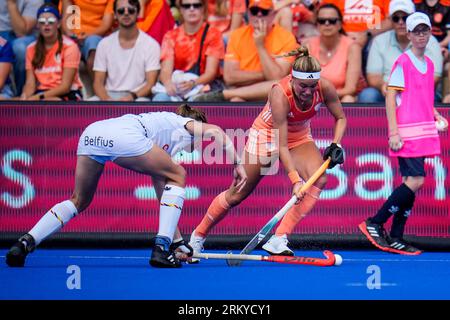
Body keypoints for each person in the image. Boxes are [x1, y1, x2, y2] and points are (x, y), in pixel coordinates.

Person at [5, 103, 248, 268]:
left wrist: (176, 241)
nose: (196, 147)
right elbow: (216, 131)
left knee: (79, 200)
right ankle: (160, 250)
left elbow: (162, 192)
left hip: (94, 133)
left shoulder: (162, 142)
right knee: (179, 174)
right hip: (125, 136)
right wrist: (237, 163)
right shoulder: (182, 125)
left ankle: (24, 243)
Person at [189, 45, 347, 257]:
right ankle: (197, 237)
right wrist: (295, 181)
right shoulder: (280, 94)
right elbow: (281, 145)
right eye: (303, 86)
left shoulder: (325, 88)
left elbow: (341, 118)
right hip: (266, 136)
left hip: (299, 136)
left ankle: (279, 238)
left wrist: (336, 144)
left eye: (312, 86)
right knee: (236, 194)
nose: (308, 92)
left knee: (319, 179)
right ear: (292, 78)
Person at [359, 12, 448, 255]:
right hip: (407, 133)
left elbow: (422, 98)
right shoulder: (403, 62)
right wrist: (394, 132)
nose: (421, 35)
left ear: (430, 33)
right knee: (415, 181)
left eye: (424, 31)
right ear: (408, 34)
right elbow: (390, 97)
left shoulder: (429, 64)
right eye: (416, 31)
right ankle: (375, 222)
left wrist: (434, 114)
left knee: (413, 183)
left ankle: (397, 235)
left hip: (423, 130)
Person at [193, 0, 299, 102]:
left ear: (273, 15)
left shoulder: (286, 37)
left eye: (264, 12)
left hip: (272, 94)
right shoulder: (237, 35)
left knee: (279, 85)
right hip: (243, 90)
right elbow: (229, 77)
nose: (259, 15)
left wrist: (260, 46)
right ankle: (230, 95)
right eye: (254, 11)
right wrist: (264, 75)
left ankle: (224, 94)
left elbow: (277, 78)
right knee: (236, 100)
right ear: (248, 14)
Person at [358, 0, 443, 103]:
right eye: (396, 18)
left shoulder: (431, 41)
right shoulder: (379, 41)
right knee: (368, 95)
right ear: (390, 20)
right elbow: (373, 76)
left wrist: (406, 89)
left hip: (420, 91)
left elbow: (434, 77)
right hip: (387, 91)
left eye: (405, 17)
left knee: (431, 96)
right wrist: (384, 86)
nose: (401, 22)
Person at [152, 0, 224, 102]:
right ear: (180, 9)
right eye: (186, 6)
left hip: (204, 86)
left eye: (196, 5)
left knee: (194, 102)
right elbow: (166, 70)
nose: (191, 9)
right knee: (160, 99)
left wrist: (193, 83)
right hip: (177, 86)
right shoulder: (171, 36)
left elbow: (211, 73)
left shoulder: (213, 34)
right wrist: (168, 84)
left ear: (203, 8)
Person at [91, 0, 160, 101]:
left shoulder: (151, 44)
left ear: (138, 12)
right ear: (115, 15)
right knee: (90, 102)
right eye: (121, 11)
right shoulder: (104, 44)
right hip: (109, 95)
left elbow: (150, 84)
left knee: (142, 102)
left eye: (131, 10)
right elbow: (98, 83)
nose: (126, 13)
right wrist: (107, 100)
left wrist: (132, 97)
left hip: (137, 96)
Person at [20, 3, 83, 101]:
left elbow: (65, 86)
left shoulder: (70, 47)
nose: (46, 25)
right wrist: (25, 96)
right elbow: (30, 83)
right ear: (37, 25)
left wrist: (38, 97)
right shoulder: (31, 48)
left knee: (51, 102)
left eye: (51, 21)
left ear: (58, 23)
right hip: (42, 93)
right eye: (42, 22)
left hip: (68, 93)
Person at [304, 3, 362, 102]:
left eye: (332, 21)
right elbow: (302, 82)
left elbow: (350, 89)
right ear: (317, 25)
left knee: (348, 99)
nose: (327, 24)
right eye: (322, 21)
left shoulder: (353, 47)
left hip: (340, 97)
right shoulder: (307, 46)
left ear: (340, 24)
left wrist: (324, 96)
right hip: (312, 98)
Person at [61, 0, 115, 85]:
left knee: (93, 47)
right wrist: (71, 35)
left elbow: (106, 25)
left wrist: (86, 36)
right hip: (74, 36)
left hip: (97, 35)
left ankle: (101, 89)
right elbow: (67, 18)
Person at [0, 0, 44, 95]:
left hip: (25, 36)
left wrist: (11, 4)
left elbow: (21, 32)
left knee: (20, 48)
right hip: (1, 35)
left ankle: (21, 96)